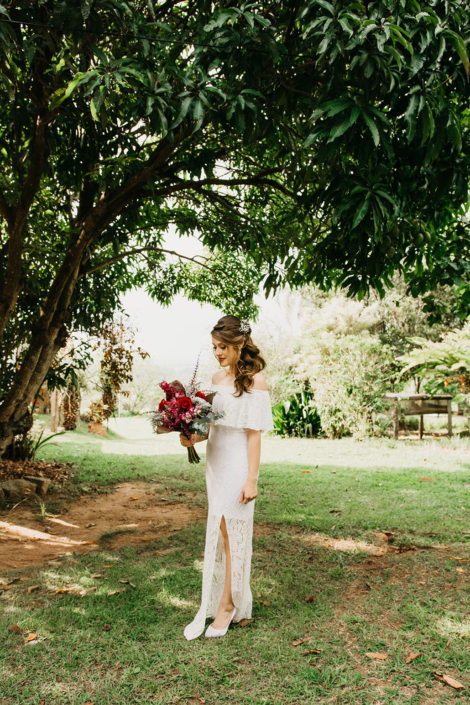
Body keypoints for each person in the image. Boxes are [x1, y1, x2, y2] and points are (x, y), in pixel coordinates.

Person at [181, 315, 273, 640]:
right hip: (216, 464)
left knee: (235, 534)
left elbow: (254, 435)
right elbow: (209, 427)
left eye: (223, 346)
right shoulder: (215, 379)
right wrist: (190, 437)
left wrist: (252, 479)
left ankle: (227, 605)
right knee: (223, 532)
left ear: (239, 344)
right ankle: (235, 601)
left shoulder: (256, 382)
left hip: (238, 465)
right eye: (214, 347)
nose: (218, 352)